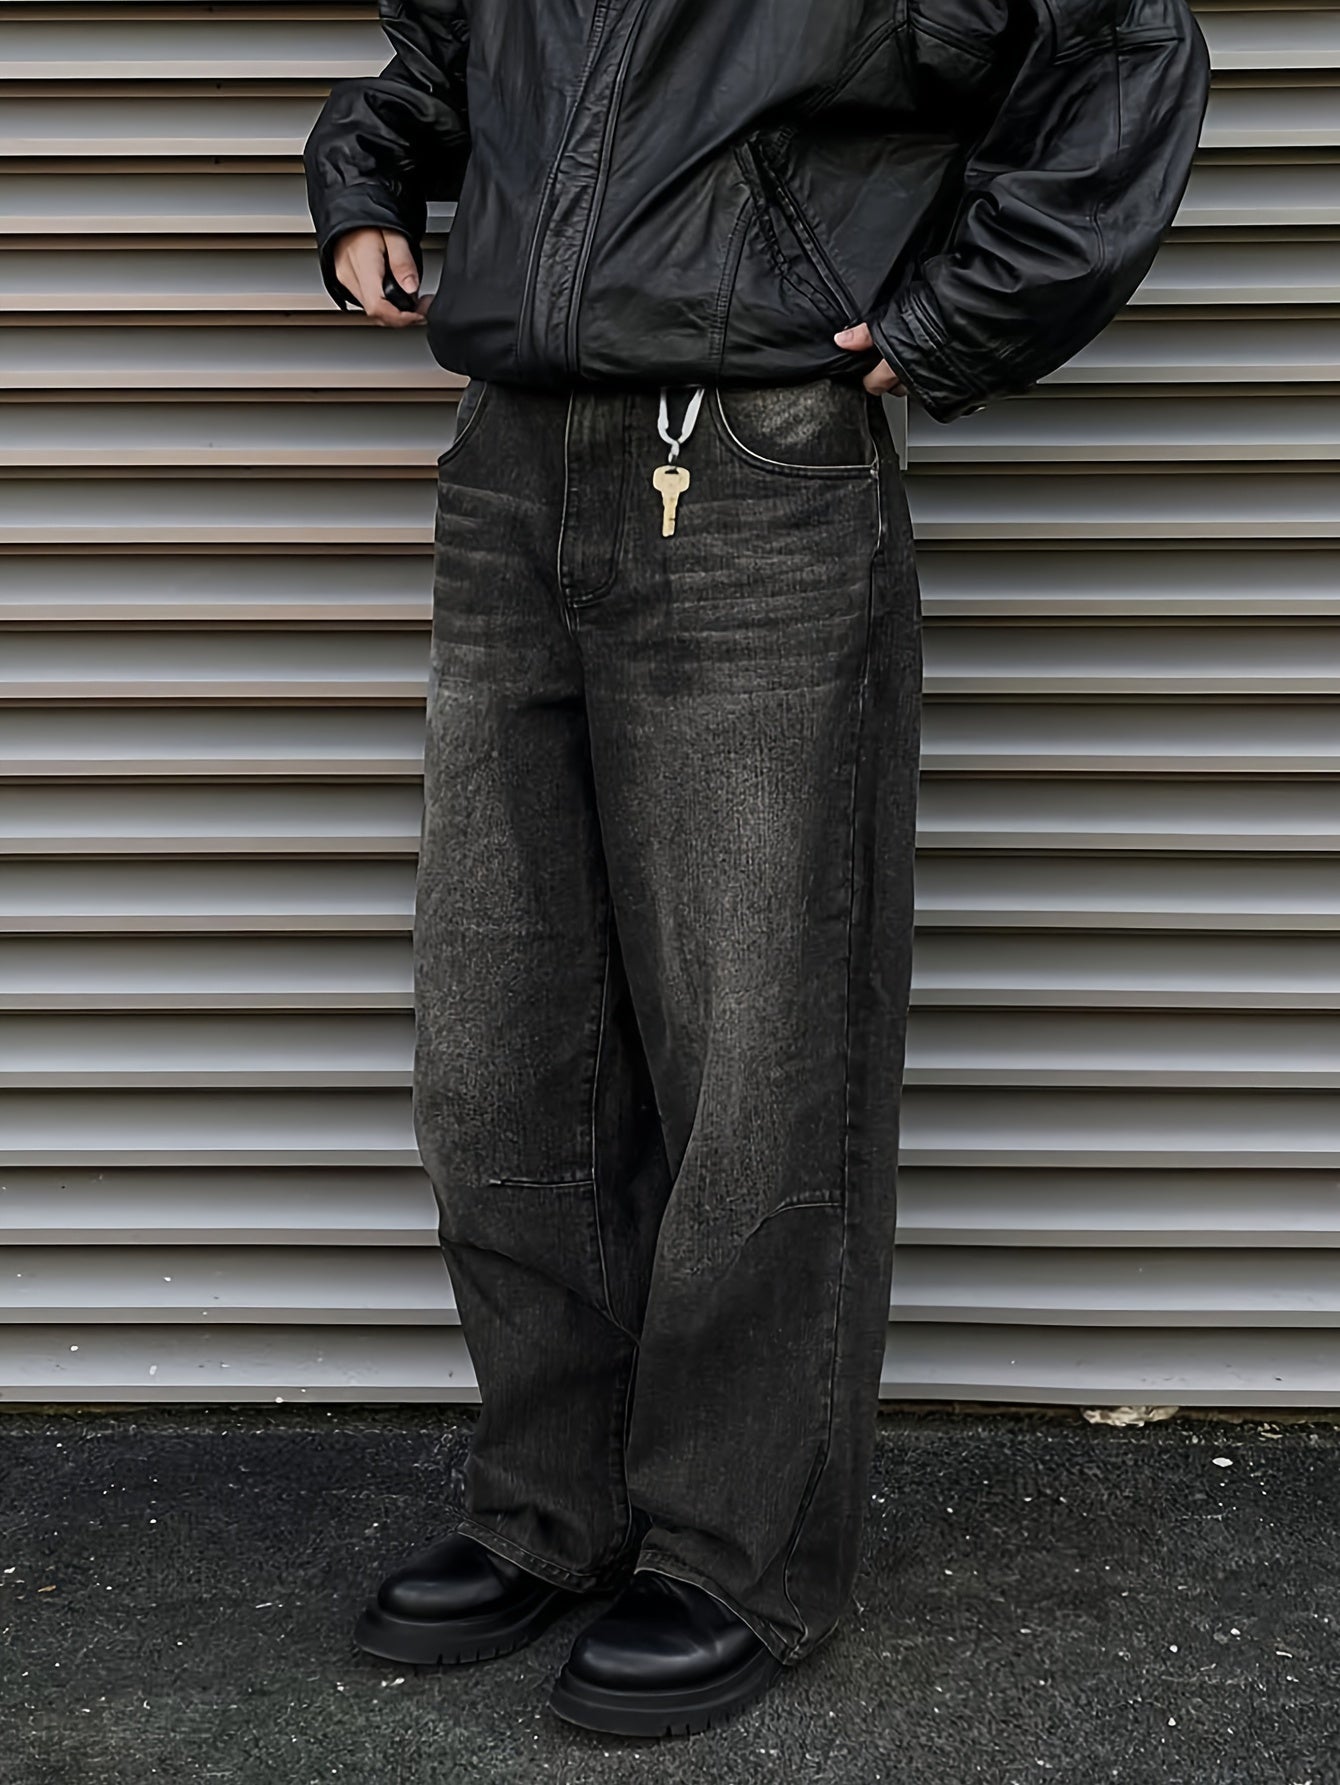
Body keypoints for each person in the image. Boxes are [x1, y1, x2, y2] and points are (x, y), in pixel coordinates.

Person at [304, 0, 1210, 1739]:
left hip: (751, 459)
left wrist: (947, 322)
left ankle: (736, 1551)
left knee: (758, 1050)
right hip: (513, 455)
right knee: (499, 1050)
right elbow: (444, 53)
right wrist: (366, 180)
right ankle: (552, 1507)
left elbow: (1121, 59)